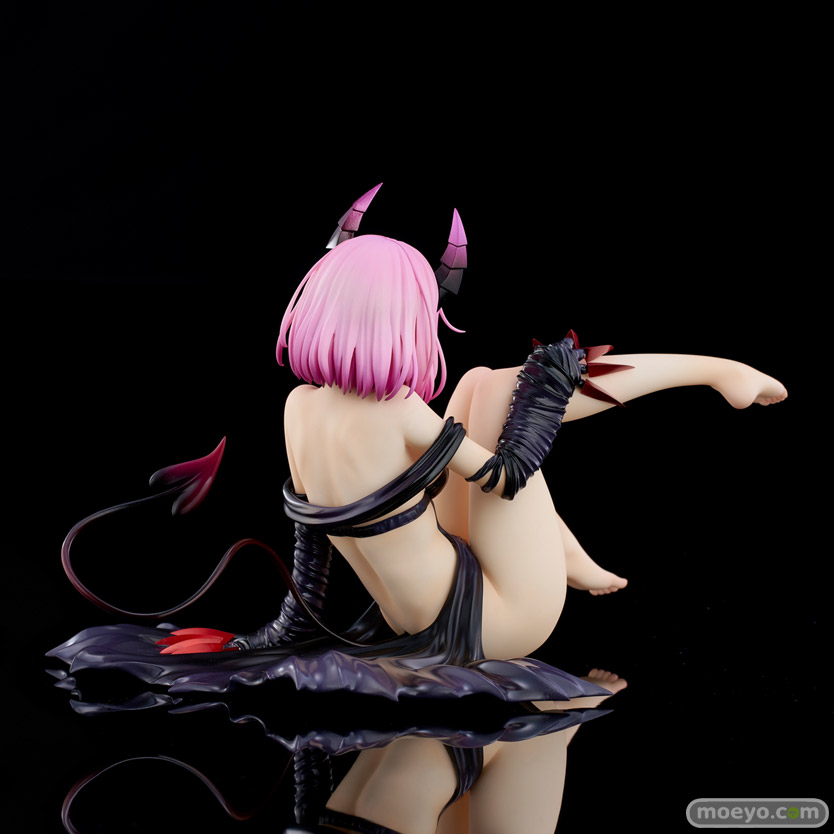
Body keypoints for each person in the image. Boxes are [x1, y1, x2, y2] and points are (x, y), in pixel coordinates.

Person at [48, 185, 787, 710]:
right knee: (498, 389)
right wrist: (551, 382)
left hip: (418, 621)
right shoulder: (401, 414)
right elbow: (507, 476)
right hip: (497, 620)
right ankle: (713, 371)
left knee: (473, 390)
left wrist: (275, 636)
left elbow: (313, 545)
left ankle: (569, 551)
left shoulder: (298, 407)